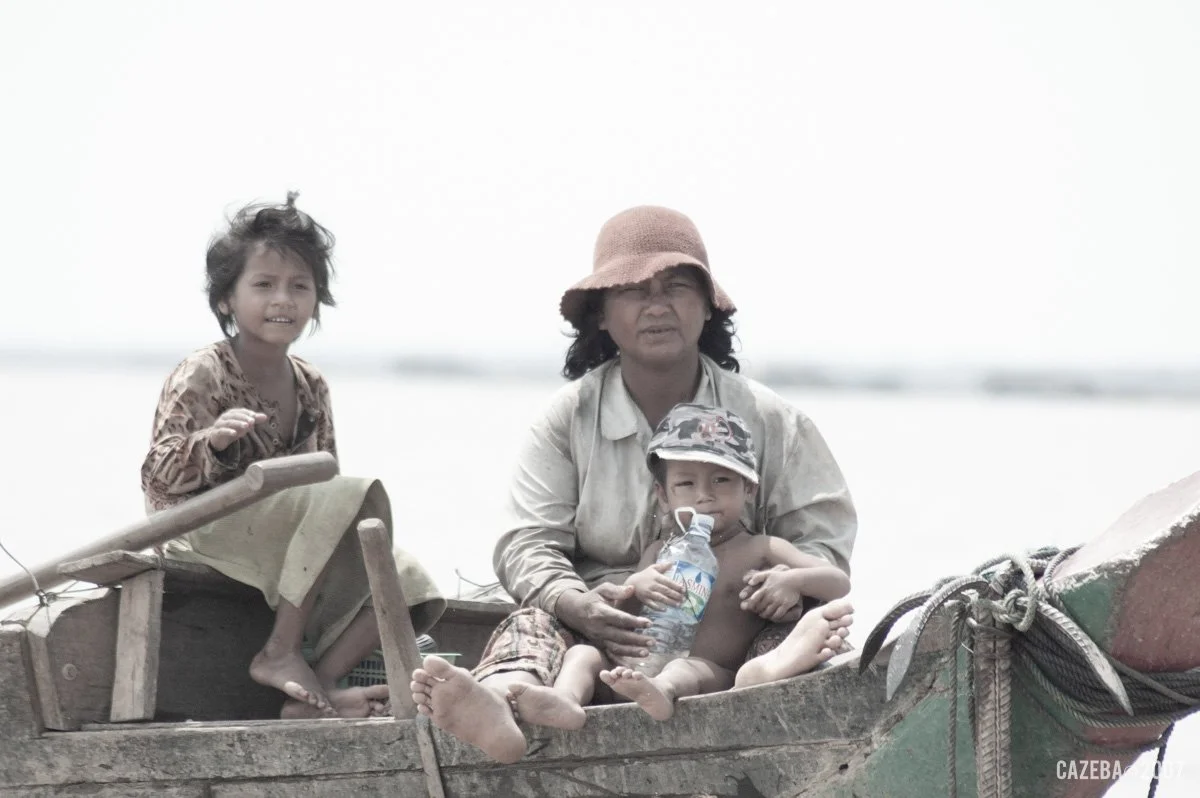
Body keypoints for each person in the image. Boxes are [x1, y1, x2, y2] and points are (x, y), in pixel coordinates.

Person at [411, 205, 856, 763]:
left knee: (800, 636)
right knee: (534, 622)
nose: (657, 306)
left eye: (676, 287)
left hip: (732, 634)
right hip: (607, 626)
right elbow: (527, 543)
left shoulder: (772, 421)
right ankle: (499, 702)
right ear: (600, 314)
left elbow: (823, 544)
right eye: (633, 291)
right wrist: (582, 606)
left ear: (707, 306)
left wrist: (779, 588)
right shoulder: (569, 418)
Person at [142, 192, 444, 719]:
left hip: (282, 538)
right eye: (263, 285)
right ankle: (279, 650)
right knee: (351, 492)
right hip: (197, 530)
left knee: (406, 577)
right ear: (226, 300)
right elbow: (156, 478)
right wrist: (210, 442)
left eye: (299, 287)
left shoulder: (310, 384)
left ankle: (318, 687)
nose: (283, 299)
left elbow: (326, 491)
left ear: (316, 300)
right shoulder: (204, 371)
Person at [497, 402, 854, 726]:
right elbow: (623, 612)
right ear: (664, 496)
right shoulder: (660, 552)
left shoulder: (762, 548)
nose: (704, 496)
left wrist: (792, 581)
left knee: (684, 668)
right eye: (685, 484)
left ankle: (663, 692)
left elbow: (837, 581)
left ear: (749, 489)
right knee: (582, 654)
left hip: (710, 677)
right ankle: (565, 700)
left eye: (722, 480)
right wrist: (637, 585)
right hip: (633, 673)